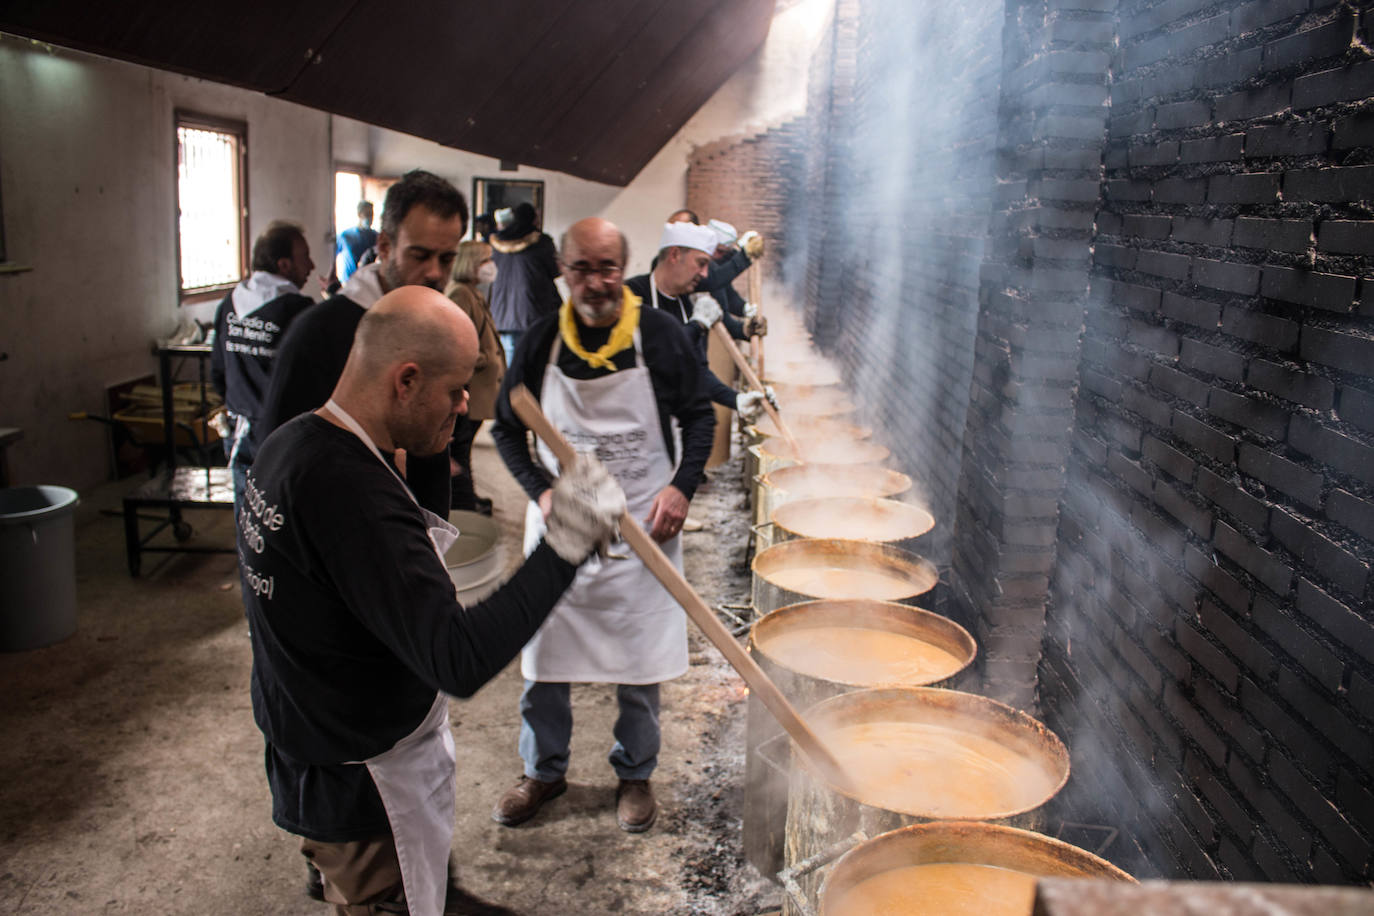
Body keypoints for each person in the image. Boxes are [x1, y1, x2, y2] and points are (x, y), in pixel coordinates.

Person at [242, 285, 626, 916]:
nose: (466, 403)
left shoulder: (292, 444)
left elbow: (409, 555)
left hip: (310, 737)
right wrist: (567, 543)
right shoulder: (351, 495)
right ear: (407, 380)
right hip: (362, 780)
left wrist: (433, 439)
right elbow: (457, 657)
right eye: (454, 391)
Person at [489, 216, 716, 834]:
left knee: (639, 664)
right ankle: (544, 770)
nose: (595, 282)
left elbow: (699, 417)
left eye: (607, 267)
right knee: (544, 663)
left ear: (624, 268)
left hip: (644, 523)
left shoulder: (660, 337)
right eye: (582, 268)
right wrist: (539, 493)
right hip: (566, 528)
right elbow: (508, 429)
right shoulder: (541, 342)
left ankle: (635, 774)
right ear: (563, 273)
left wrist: (681, 486)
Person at [257, 169, 468, 517]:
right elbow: (276, 455)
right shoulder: (320, 332)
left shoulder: (436, 326)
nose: (434, 273)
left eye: (446, 259)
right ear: (385, 246)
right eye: (420, 255)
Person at [210, 220, 316, 505]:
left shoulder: (229, 303)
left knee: (248, 515)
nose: (312, 265)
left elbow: (217, 371)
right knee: (284, 513)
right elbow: (314, 380)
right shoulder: (299, 311)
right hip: (284, 434)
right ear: (284, 265)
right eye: (305, 257)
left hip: (238, 429)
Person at [625, 223, 769, 422]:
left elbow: (696, 370)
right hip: (638, 420)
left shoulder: (687, 303)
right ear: (674, 255)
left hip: (675, 425)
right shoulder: (632, 295)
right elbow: (661, 357)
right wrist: (697, 325)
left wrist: (737, 400)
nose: (705, 274)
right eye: (701, 264)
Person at [444, 241, 505, 515]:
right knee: (461, 446)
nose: (490, 266)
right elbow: (455, 342)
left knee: (465, 446)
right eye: (485, 261)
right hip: (470, 384)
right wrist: (484, 358)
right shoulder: (461, 294)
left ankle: (468, 496)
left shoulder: (472, 292)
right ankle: (464, 501)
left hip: (480, 385)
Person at [488, 202, 561, 366]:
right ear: (533, 219)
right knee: (535, 360)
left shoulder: (497, 242)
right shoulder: (541, 241)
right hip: (534, 309)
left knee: (510, 362)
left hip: (502, 311)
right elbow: (556, 271)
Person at [336, 201, 379, 286]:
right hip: (349, 283)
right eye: (367, 214)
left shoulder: (376, 237)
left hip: (369, 283)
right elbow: (333, 257)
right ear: (359, 214)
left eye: (372, 214)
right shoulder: (346, 236)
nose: (370, 217)